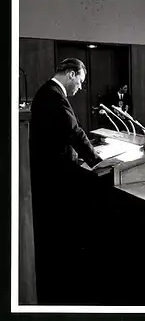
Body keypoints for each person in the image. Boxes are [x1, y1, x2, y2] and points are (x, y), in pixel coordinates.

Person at [29, 58, 103, 304]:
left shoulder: (45, 92)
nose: (80, 88)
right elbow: (73, 131)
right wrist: (96, 161)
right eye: (80, 82)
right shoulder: (54, 96)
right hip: (54, 174)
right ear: (71, 74)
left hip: (47, 171)